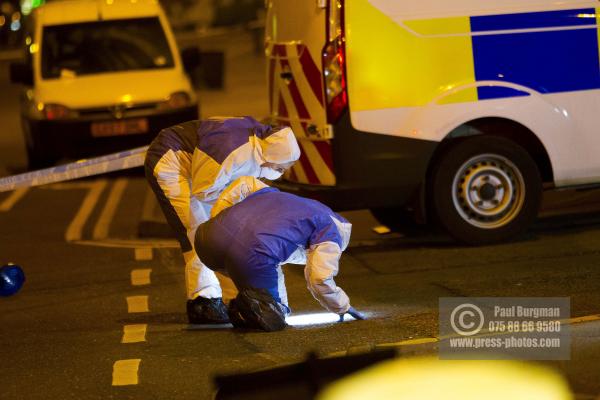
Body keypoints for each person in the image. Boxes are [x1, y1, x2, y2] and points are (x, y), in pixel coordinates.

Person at [144, 117, 300, 324]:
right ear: (268, 156)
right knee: (197, 231)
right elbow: (204, 190)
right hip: (170, 162)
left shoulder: (260, 147)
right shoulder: (231, 150)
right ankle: (203, 301)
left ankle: (228, 296)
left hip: (198, 167)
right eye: (279, 168)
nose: (280, 173)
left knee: (219, 231)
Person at [194, 176, 366, 331]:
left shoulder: (284, 198)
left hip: (206, 238)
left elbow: (245, 182)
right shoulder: (331, 231)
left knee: (264, 263)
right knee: (275, 316)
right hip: (251, 253)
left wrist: (219, 217)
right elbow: (319, 278)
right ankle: (254, 306)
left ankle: (237, 303)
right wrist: (341, 306)